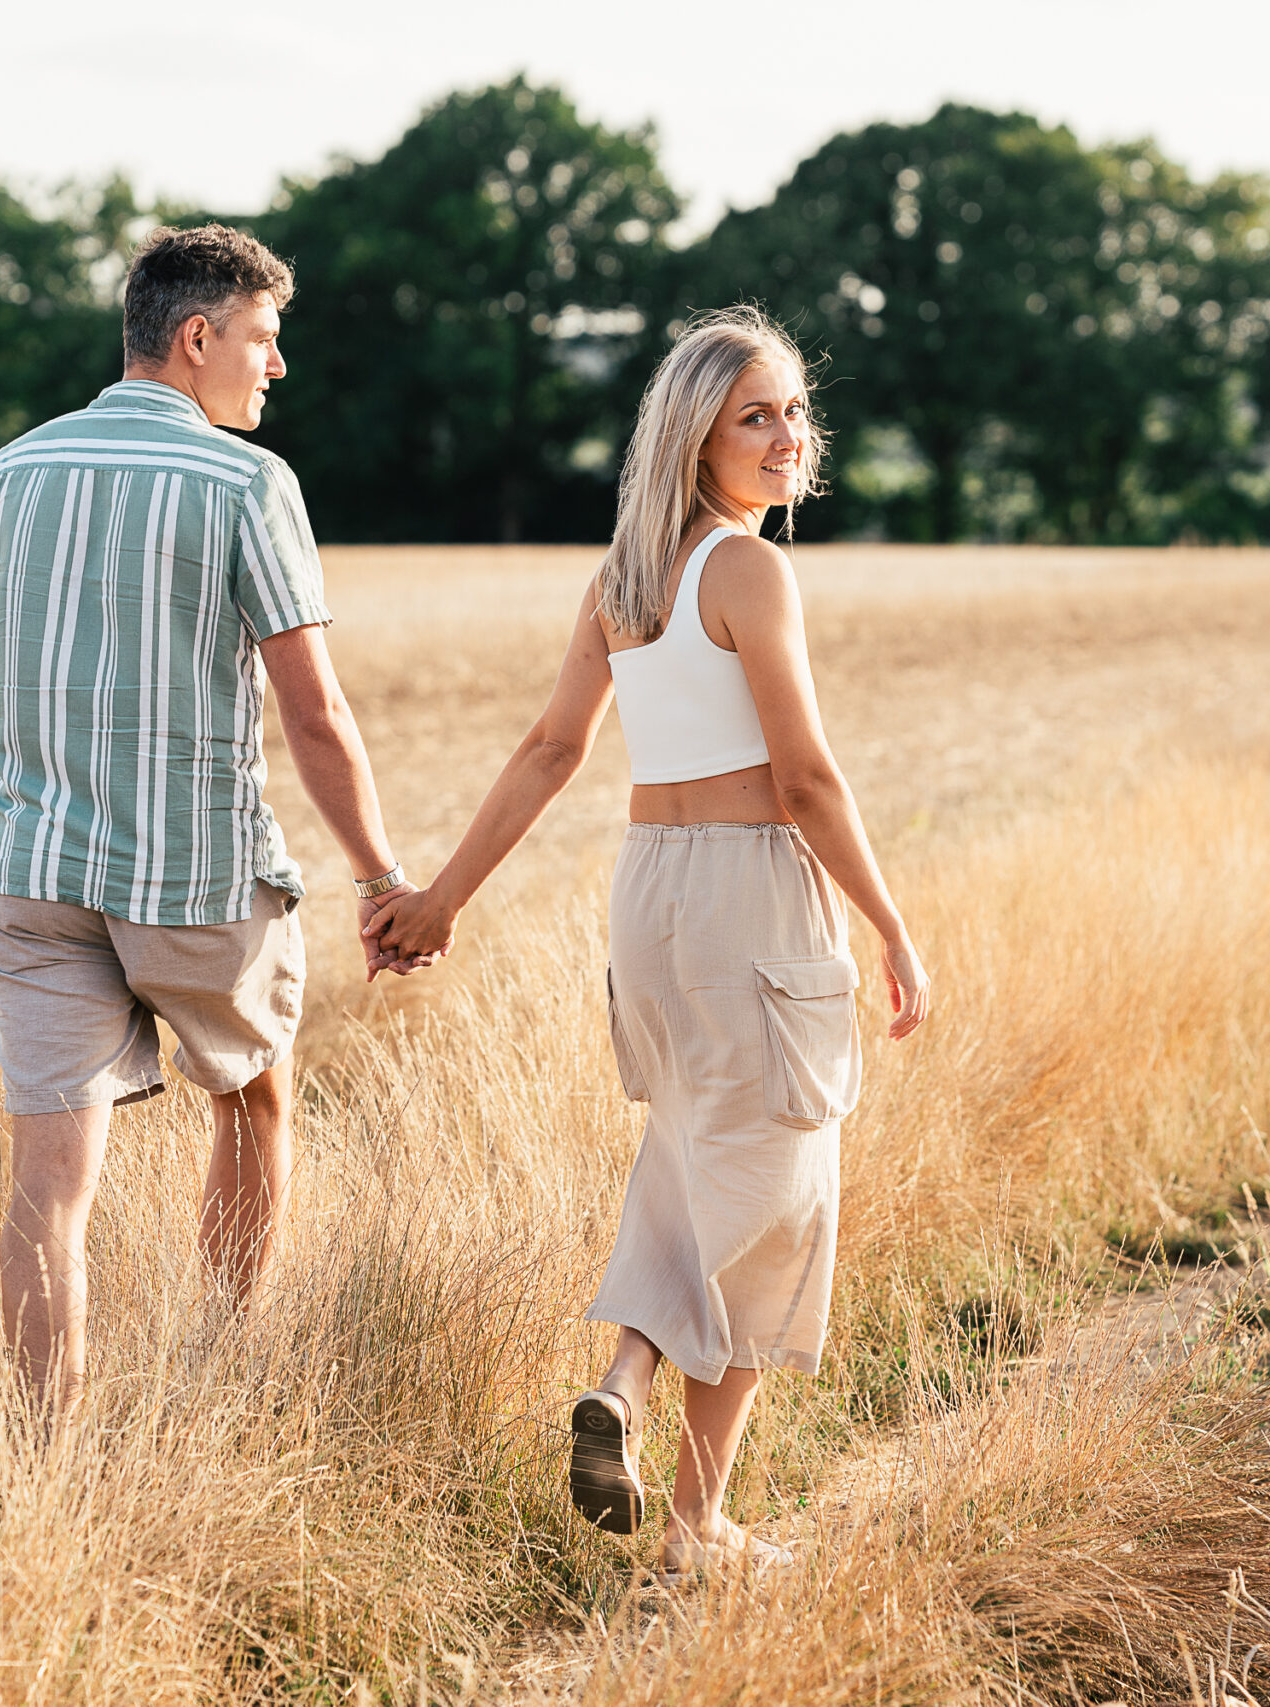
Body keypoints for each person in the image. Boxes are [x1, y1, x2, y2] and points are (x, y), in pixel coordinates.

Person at [364, 306, 933, 1582]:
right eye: (757, 416)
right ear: (696, 438)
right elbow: (807, 779)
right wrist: (891, 922)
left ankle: (657, 1447)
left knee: (691, 1165)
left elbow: (551, 752)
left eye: (795, 408)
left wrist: (442, 900)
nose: (790, 434)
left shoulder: (624, 575)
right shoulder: (744, 568)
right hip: (748, 892)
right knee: (776, 1197)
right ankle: (667, 1468)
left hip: (651, 894)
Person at [0, 223, 427, 1417]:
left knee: (49, 1184)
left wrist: (43, 812)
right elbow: (312, 713)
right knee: (255, 1097)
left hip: (33, 874)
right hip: (199, 879)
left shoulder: (8, 472)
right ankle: (226, 1372)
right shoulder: (247, 483)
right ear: (196, 336)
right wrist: (379, 878)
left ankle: (38, 1452)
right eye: (262, 339)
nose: (276, 366)